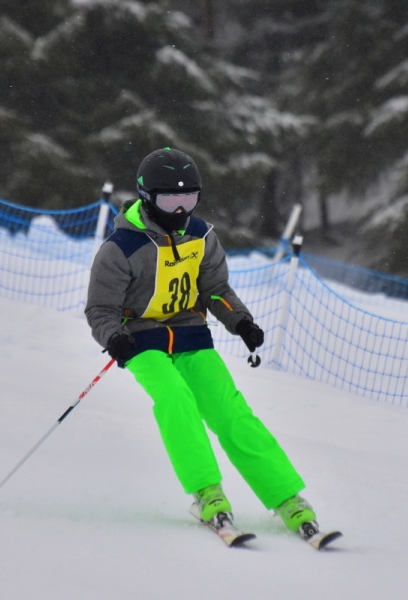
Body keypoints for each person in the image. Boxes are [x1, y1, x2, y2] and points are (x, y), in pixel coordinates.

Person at [85, 147, 327, 541]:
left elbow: (216, 290)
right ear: (148, 197)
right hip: (140, 338)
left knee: (229, 410)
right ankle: (206, 493)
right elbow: (100, 308)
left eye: (189, 199)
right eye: (171, 201)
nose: (181, 210)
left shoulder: (201, 236)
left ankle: (286, 497)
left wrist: (241, 321)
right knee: (175, 397)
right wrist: (114, 337)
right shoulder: (121, 248)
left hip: (190, 335)